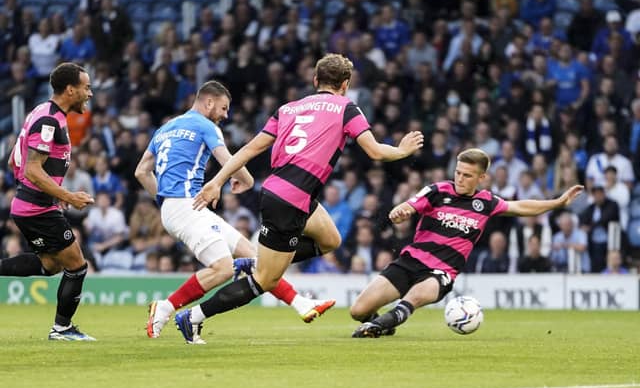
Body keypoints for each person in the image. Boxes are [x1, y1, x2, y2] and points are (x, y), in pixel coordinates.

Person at [175, 53, 424, 343]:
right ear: (345, 84)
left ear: (315, 80)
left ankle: (260, 262)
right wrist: (403, 150)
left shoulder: (288, 109)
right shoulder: (346, 108)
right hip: (291, 200)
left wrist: (216, 181)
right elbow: (376, 152)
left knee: (331, 239)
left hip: (282, 192)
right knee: (265, 281)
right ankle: (192, 317)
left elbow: (248, 149)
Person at [135, 80, 336, 341]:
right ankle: (166, 307)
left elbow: (141, 171)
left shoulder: (164, 129)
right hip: (187, 206)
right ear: (208, 102)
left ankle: (301, 303)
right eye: (223, 108)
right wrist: (248, 181)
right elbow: (230, 162)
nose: (225, 115)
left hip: (182, 206)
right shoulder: (205, 126)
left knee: (251, 255)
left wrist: (166, 202)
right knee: (224, 269)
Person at [349, 148, 583, 338]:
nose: (460, 179)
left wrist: (556, 203)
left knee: (413, 299)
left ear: (481, 178)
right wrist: (401, 211)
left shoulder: (487, 202)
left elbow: (520, 206)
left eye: (467, 175)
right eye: (458, 172)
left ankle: (377, 327)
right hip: (410, 262)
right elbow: (411, 204)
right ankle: (383, 324)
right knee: (358, 310)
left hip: (440, 272)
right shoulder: (438, 191)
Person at [0, 62, 96, 341]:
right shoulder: (49, 120)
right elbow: (31, 168)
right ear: (70, 90)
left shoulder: (41, 112)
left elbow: (13, 161)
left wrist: (49, 192)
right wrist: (66, 196)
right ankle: (62, 328)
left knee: (51, 265)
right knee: (77, 265)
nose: (89, 94)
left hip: (33, 205)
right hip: (37, 209)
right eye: (86, 88)